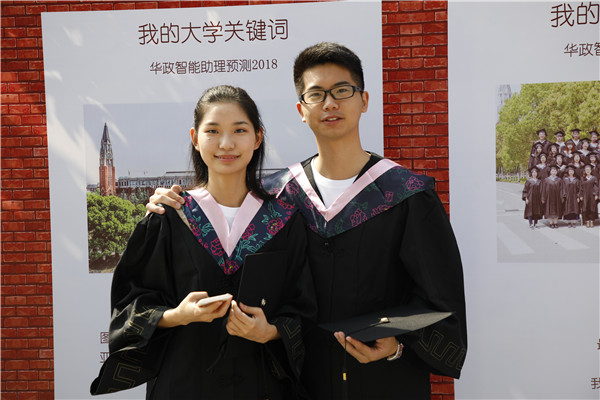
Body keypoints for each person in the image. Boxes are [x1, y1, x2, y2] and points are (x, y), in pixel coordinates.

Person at [147, 42, 467, 400]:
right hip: (297, 382)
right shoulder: (276, 197)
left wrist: (398, 346)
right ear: (301, 110)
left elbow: (442, 302)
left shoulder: (406, 194)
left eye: (342, 91)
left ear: (364, 101)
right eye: (316, 94)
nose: (329, 104)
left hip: (383, 382)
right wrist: (172, 202)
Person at [90, 85, 317, 399]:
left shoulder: (284, 221)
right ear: (195, 139)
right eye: (213, 131)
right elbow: (130, 305)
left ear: (257, 138)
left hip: (261, 384)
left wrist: (270, 331)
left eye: (239, 130)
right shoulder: (169, 217)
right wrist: (177, 315)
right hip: (183, 383)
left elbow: (305, 308)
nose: (226, 143)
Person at [541, 164, 564, 229]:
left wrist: (562, 197)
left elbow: (562, 189)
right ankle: (551, 223)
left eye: (555, 171)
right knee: (549, 210)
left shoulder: (559, 180)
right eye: (552, 171)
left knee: (557, 210)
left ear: (557, 172)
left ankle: (555, 223)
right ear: (550, 172)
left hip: (557, 197)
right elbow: (543, 189)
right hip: (549, 197)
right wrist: (543, 197)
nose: (554, 172)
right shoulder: (546, 180)